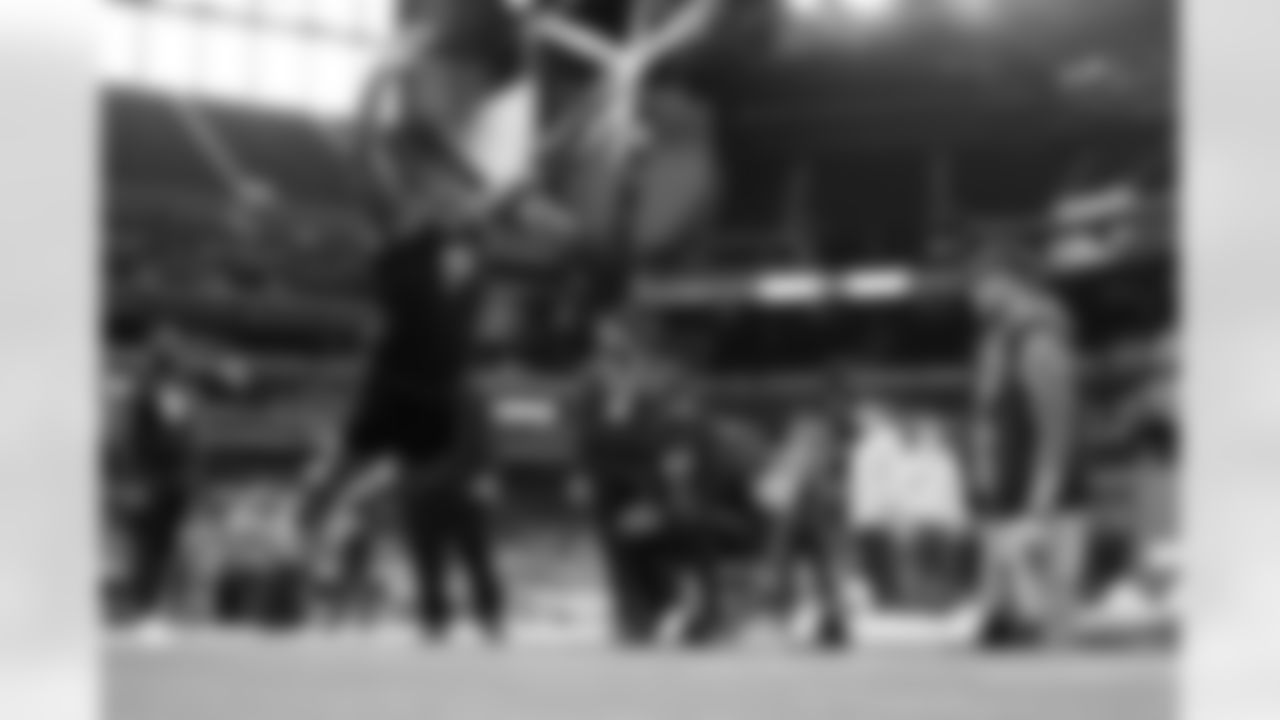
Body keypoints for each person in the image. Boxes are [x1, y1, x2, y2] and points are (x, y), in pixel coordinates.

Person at [968, 224, 1088, 648]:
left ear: (1004, 280)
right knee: (1019, 642)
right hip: (1012, 504)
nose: (973, 295)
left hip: (1044, 508)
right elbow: (992, 418)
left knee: (1055, 635)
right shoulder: (999, 341)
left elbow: (1057, 434)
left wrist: (1038, 513)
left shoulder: (1039, 340)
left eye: (979, 283)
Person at [756, 407, 852, 649]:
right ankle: (787, 614)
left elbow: (837, 498)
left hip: (815, 527)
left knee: (821, 564)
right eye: (802, 435)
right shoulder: (785, 460)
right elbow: (768, 494)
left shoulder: (830, 462)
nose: (807, 441)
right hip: (791, 528)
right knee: (786, 551)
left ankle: (831, 620)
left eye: (812, 437)